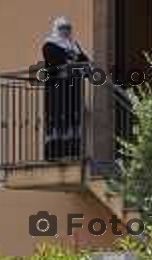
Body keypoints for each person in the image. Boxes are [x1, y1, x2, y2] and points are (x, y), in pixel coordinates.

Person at [42, 16, 90, 160]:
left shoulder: (73, 45)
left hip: (72, 87)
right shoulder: (49, 45)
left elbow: (84, 61)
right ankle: (55, 154)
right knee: (58, 117)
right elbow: (55, 61)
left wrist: (74, 60)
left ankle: (72, 152)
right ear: (56, 29)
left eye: (68, 28)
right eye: (62, 28)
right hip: (56, 88)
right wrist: (72, 59)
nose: (66, 31)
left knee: (72, 116)